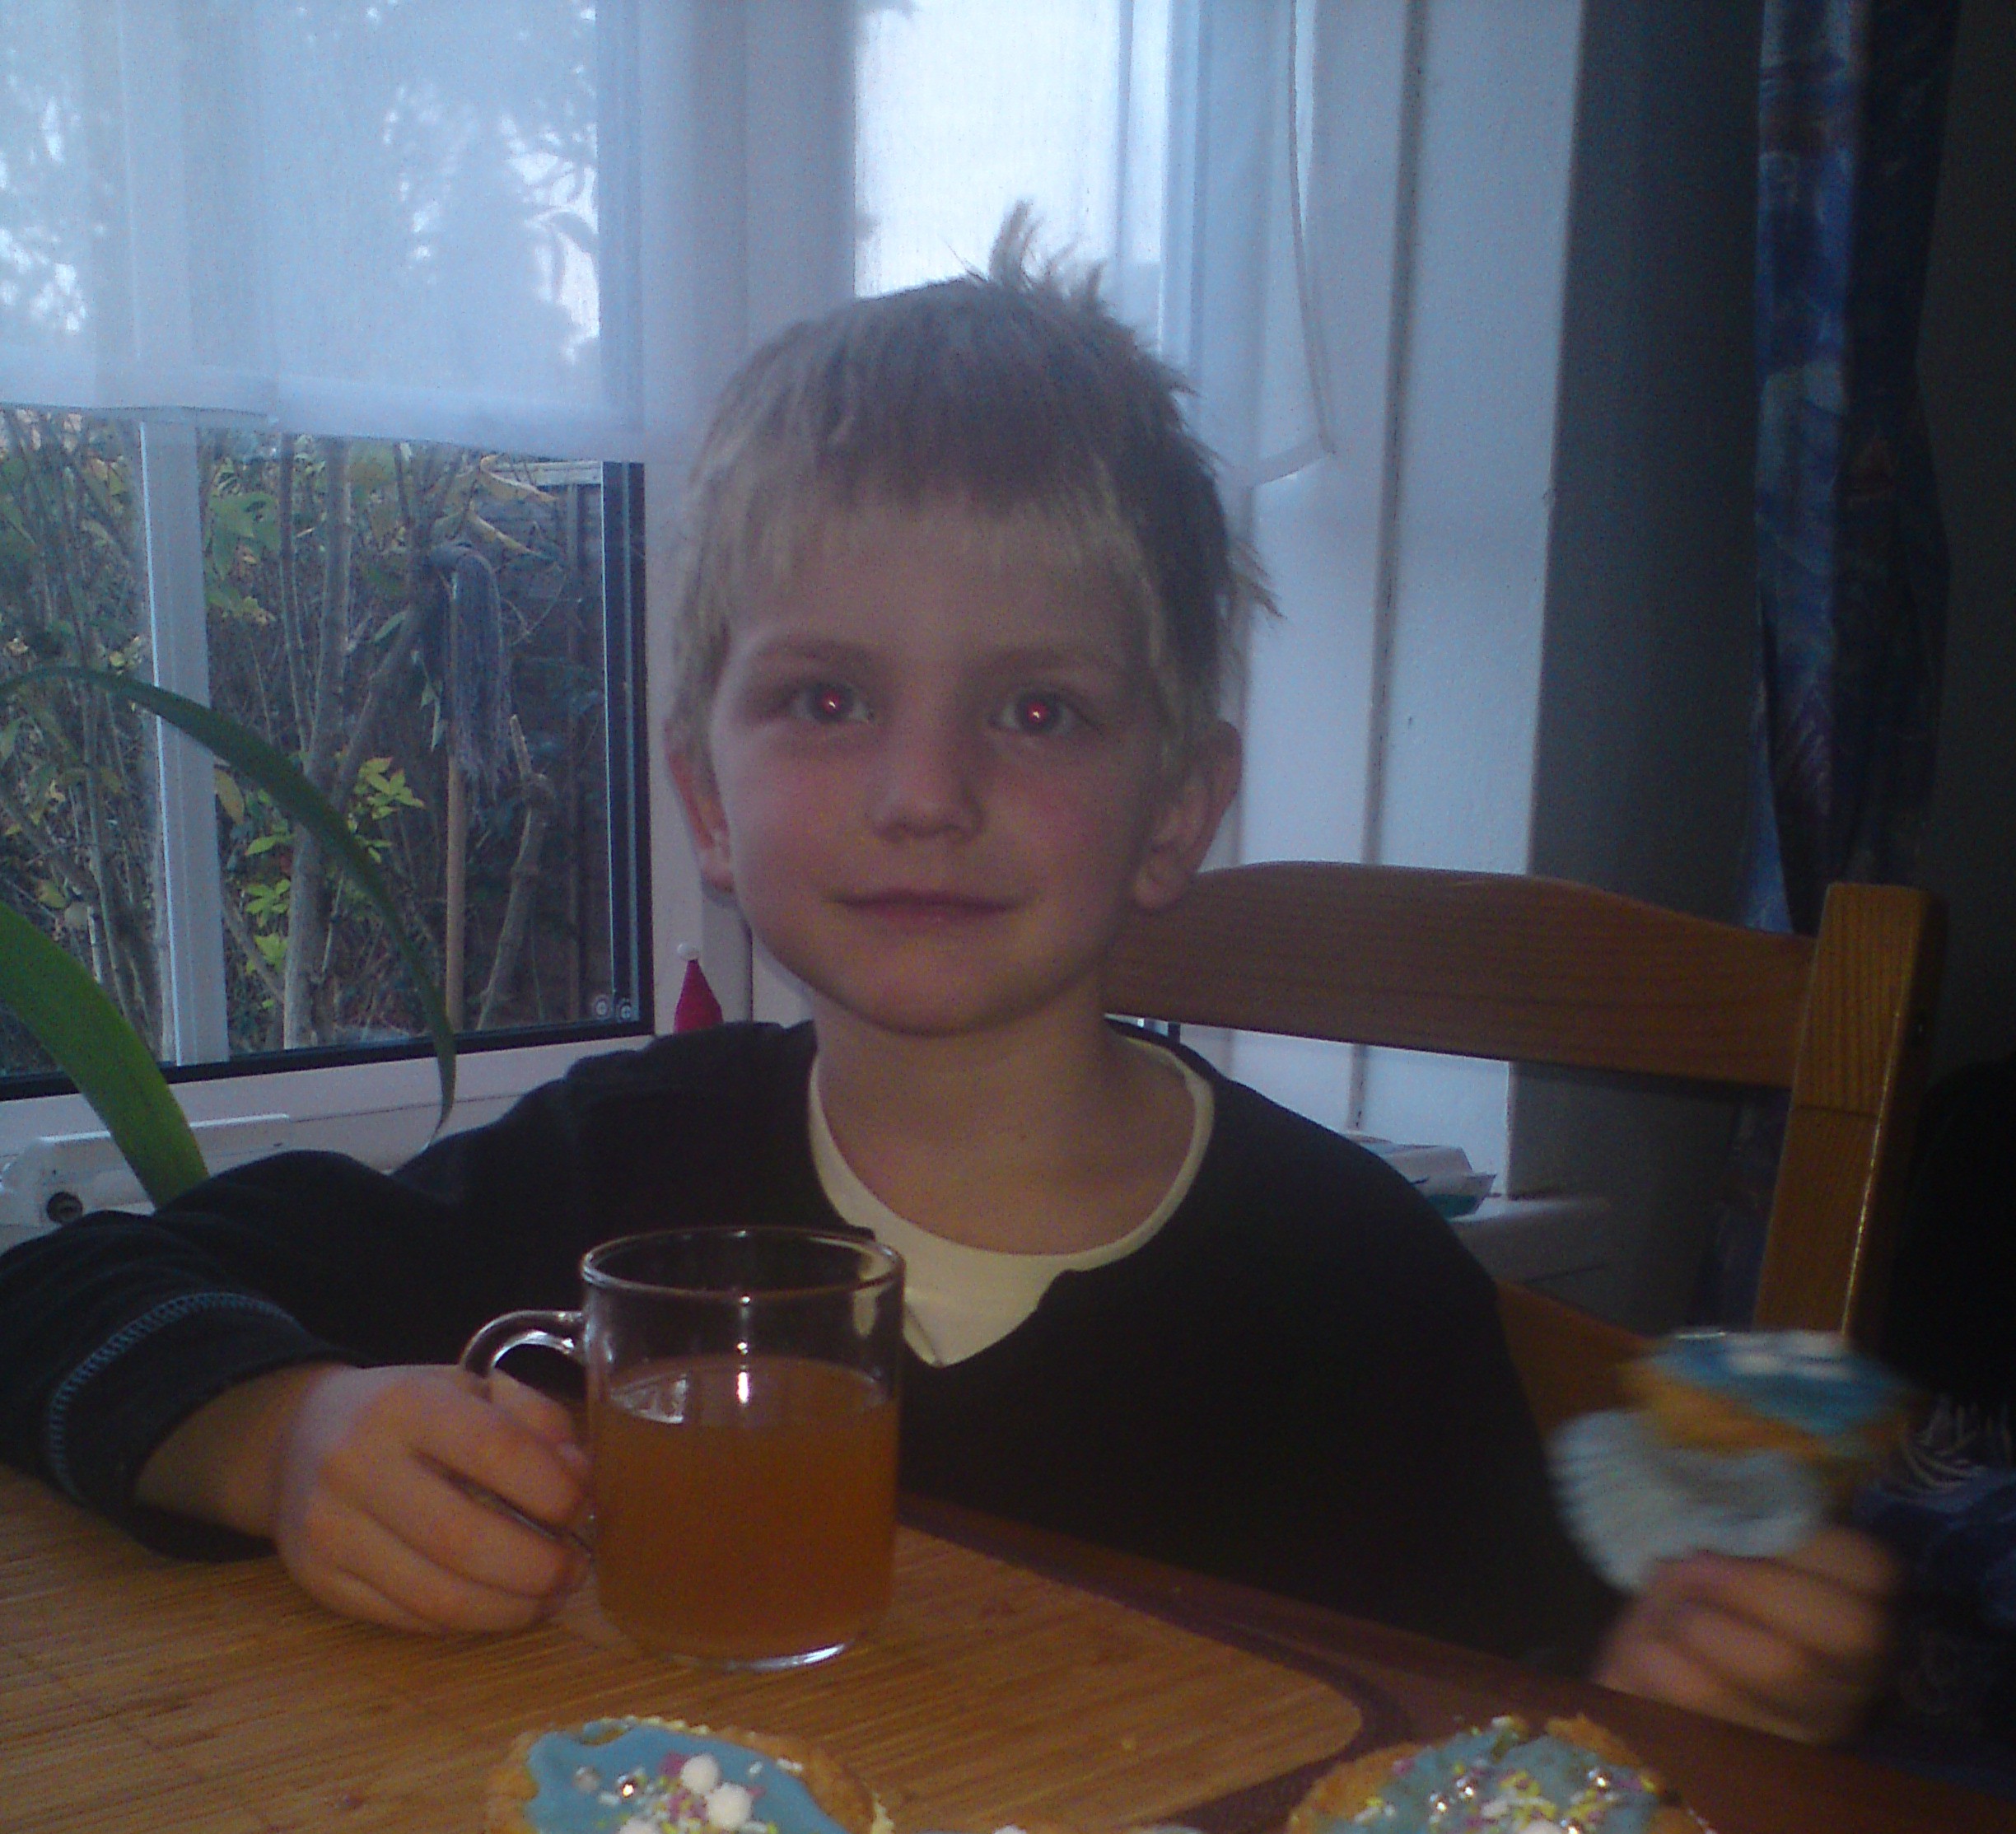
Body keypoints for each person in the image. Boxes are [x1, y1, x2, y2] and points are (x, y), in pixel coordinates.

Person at [0, 231, 1893, 1741]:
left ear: (1176, 813)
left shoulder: (1357, 1283)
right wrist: (284, 1437)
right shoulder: (606, 1169)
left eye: (1039, 710)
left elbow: (1521, 1740)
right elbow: (59, 1294)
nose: (925, 792)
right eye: (827, 698)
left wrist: (1685, 1697)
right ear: (706, 801)